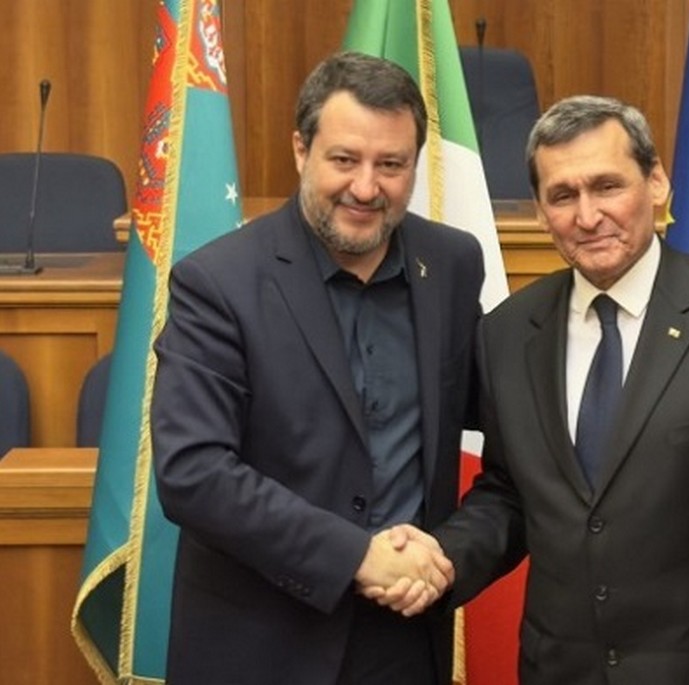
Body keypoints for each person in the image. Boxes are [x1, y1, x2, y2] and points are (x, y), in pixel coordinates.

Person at [378, 95, 689, 683]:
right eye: (562, 195)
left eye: (607, 186)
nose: (588, 215)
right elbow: (512, 495)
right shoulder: (507, 333)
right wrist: (441, 560)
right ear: (541, 211)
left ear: (657, 183)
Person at [151, 51, 483, 685]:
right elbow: (192, 471)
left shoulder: (451, 263)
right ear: (301, 150)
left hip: (406, 639)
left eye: (391, 165)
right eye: (345, 160)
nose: (367, 187)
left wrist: (445, 556)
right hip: (263, 646)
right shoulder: (218, 281)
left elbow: (498, 423)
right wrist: (355, 556)